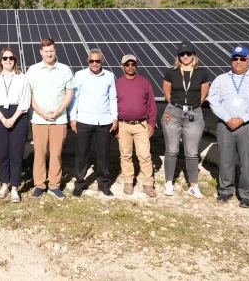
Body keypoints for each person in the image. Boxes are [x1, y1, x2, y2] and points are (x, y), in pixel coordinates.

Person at [208, 46, 249, 208]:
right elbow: (213, 101)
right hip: (225, 125)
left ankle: (247, 195)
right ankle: (225, 191)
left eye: (242, 58)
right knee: (226, 160)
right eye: (235, 58)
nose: (238, 62)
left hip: (248, 125)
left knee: (248, 161)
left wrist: (242, 119)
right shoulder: (221, 79)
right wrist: (228, 118)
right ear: (231, 60)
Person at [27, 39, 74, 200]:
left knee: (56, 154)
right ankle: (40, 185)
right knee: (39, 154)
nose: (49, 54)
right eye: (46, 51)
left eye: (51, 51)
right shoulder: (32, 70)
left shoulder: (65, 70)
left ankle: (54, 185)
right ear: (41, 52)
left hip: (59, 120)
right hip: (39, 120)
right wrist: (40, 112)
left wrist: (60, 110)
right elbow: (30, 95)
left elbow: (69, 93)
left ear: (55, 51)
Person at [161, 41, 210, 198]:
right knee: (171, 150)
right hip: (173, 112)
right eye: (182, 54)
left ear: (194, 55)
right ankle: (169, 182)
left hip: (194, 114)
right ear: (178, 57)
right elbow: (167, 93)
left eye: (189, 53)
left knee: (191, 152)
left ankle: (193, 186)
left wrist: (192, 107)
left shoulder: (202, 74)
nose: (186, 56)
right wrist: (177, 107)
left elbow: (203, 95)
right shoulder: (171, 72)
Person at [69, 49, 117, 197]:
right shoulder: (79, 75)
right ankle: (79, 183)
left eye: (97, 61)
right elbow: (74, 98)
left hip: (104, 121)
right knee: (82, 154)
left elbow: (113, 98)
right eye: (92, 61)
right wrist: (73, 118)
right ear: (87, 61)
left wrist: (114, 117)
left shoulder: (109, 76)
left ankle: (103, 184)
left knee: (103, 154)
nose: (94, 64)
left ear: (103, 60)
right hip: (84, 120)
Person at [0, 48, 30, 203]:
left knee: (16, 153)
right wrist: (1, 118)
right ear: (0, 60)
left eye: (11, 58)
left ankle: (14, 188)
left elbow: (25, 101)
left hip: (18, 115)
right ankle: (4, 184)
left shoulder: (22, 78)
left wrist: (13, 118)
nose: (8, 61)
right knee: (2, 152)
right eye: (5, 58)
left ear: (15, 60)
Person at [114, 54, 157, 197]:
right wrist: (114, 127)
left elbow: (151, 105)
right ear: (122, 66)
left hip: (141, 125)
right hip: (122, 125)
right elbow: (112, 106)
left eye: (133, 64)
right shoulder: (117, 83)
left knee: (145, 155)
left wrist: (152, 123)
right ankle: (128, 181)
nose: (130, 66)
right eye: (127, 64)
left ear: (136, 65)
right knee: (125, 155)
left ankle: (147, 183)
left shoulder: (145, 82)